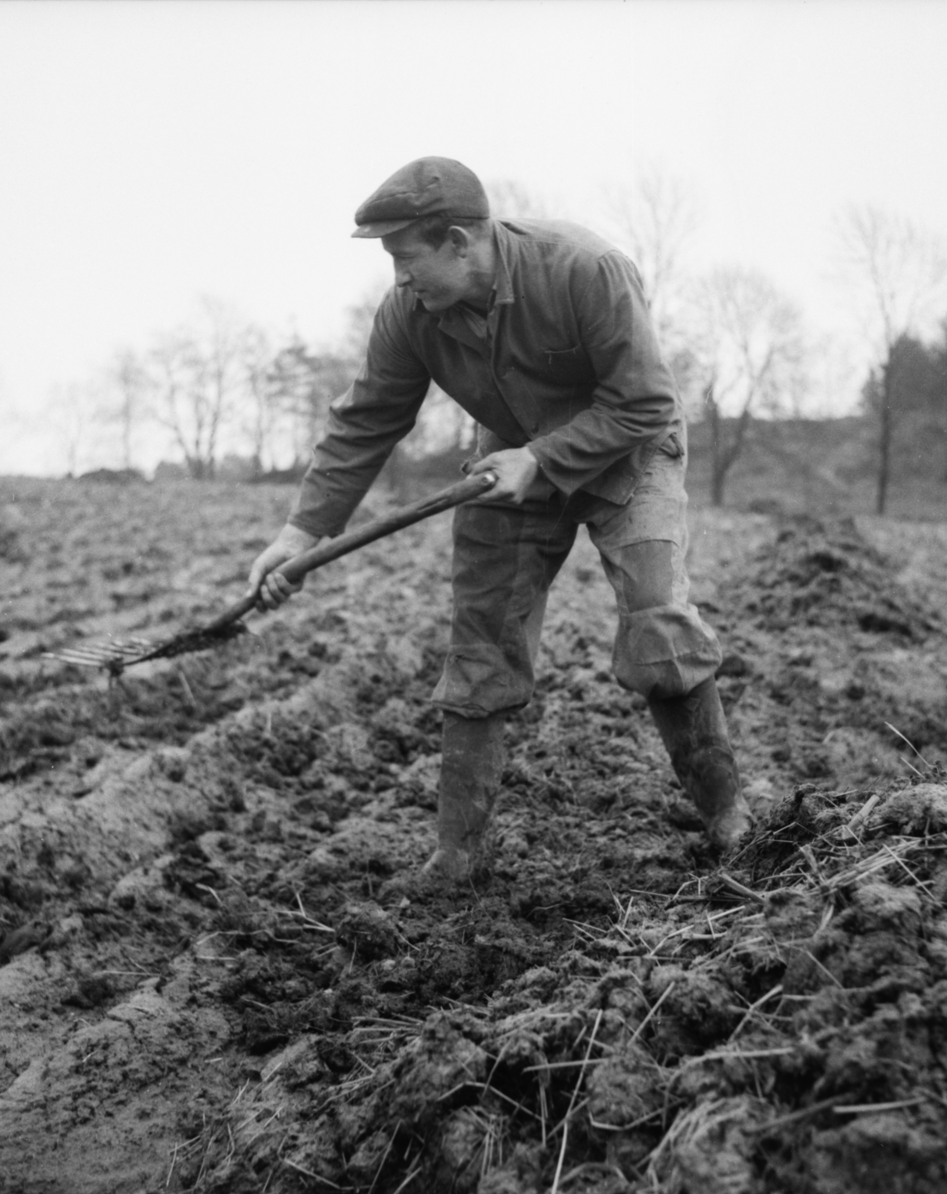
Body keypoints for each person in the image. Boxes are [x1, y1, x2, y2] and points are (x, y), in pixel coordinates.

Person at [247, 156, 748, 881]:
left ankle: (727, 817)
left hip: (627, 456)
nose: (399, 279)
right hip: (507, 468)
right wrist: (300, 532)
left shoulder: (584, 269)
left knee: (655, 619)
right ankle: (455, 855)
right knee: (480, 641)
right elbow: (366, 421)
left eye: (404, 257)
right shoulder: (410, 314)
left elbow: (643, 402)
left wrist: (542, 459)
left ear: (458, 241)